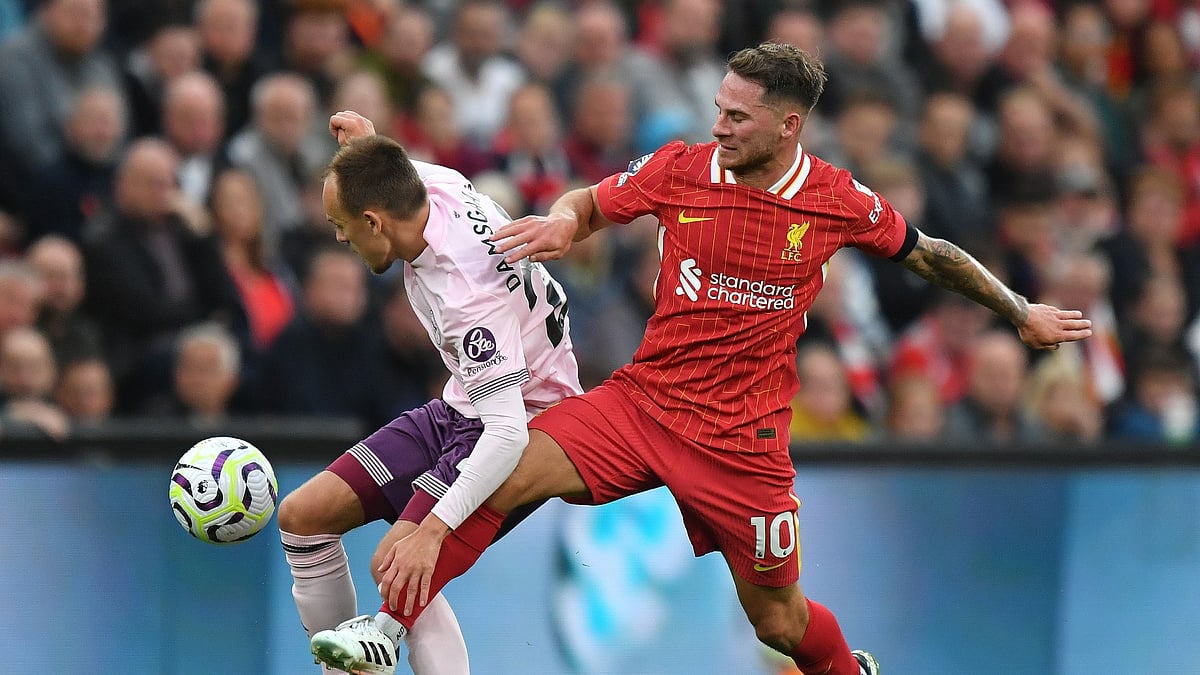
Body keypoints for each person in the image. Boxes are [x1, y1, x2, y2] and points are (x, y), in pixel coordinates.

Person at [311, 43, 1092, 675]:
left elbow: (930, 255)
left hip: (742, 444)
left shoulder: (837, 200)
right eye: (717, 107)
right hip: (642, 404)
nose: (718, 126)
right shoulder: (682, 168)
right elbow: (593, 200)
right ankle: (384, 629)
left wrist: (1019, 311)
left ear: (789, 126)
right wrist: (561, 220)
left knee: (782, 624)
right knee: (502, 471)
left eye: (737, 117)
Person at [279, 110, 582, 674]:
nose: (340, 237)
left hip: (525, 420)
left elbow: (508, 432)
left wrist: (436, 528)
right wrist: (367, 149)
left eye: (341, 224)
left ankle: (378, 643)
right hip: (466, 400)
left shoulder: (465, 296)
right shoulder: (434, 185)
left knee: (397, 562)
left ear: (374, 222)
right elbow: (393, 173)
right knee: (305, 514)